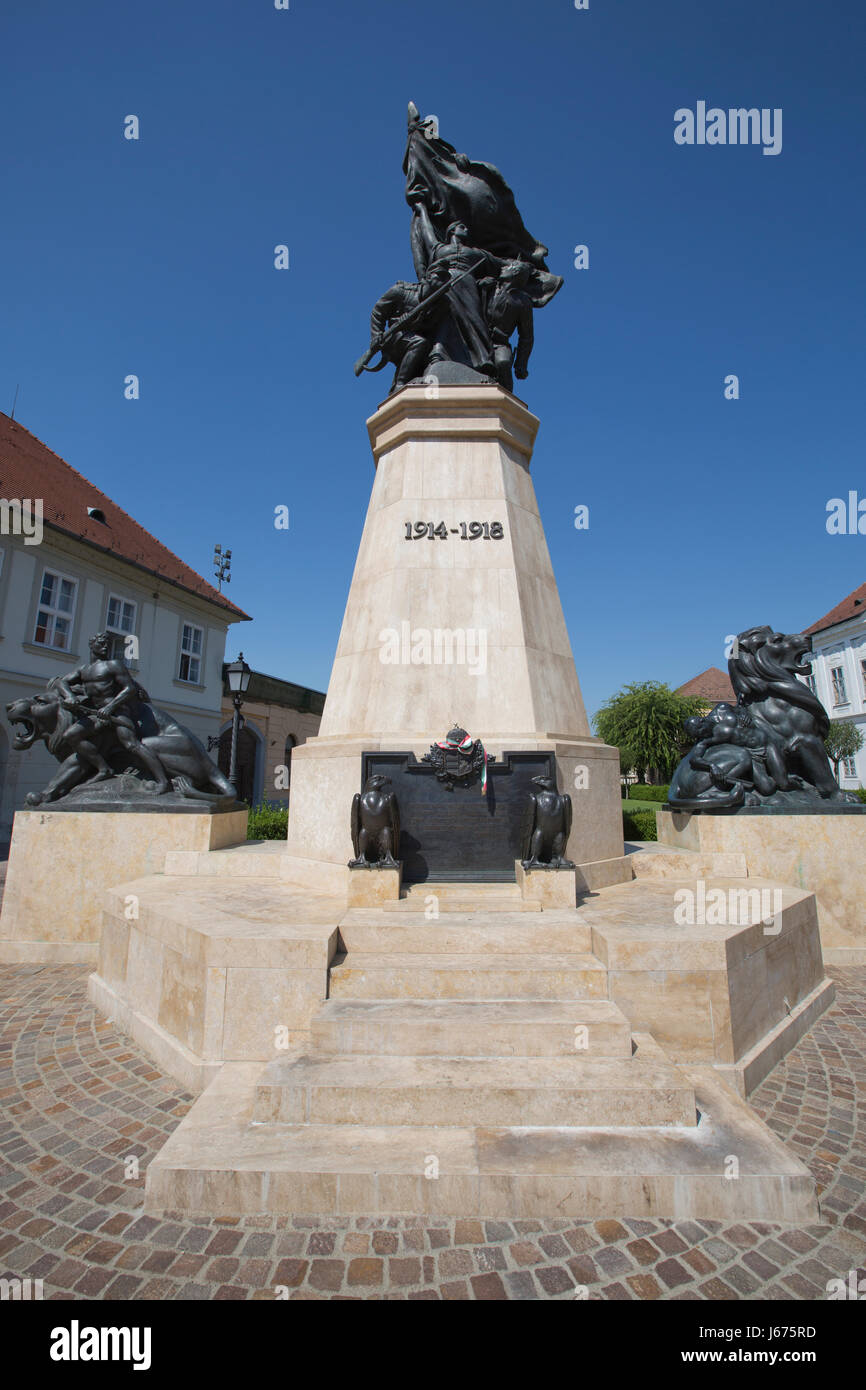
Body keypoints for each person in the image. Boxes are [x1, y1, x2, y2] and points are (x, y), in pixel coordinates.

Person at [54, 632, 171, 792]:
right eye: (101, 643)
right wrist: (69, 696)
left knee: (131, 744)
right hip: (96, 714)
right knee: (71, 735)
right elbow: (61, 682)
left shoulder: (113, 665)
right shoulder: (84, 670)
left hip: (117, 712)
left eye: (107, 644)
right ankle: (103, 769)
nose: (105, 646)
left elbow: (129, 689)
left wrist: (110, 707)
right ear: (92, 645)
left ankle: (163, 781)